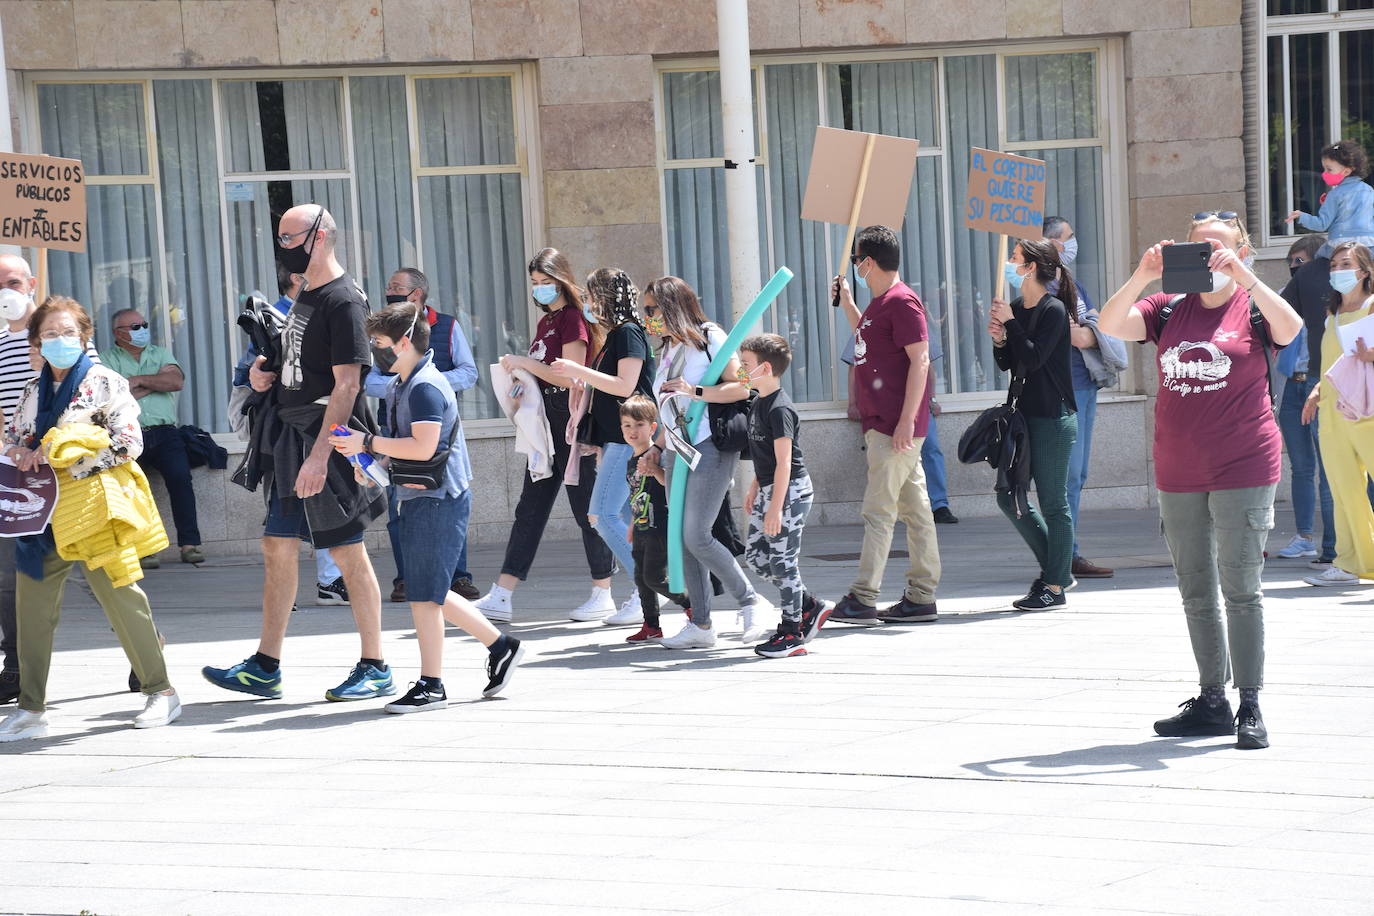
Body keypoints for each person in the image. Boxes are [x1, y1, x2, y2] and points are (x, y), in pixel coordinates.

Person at [1099, 211, 1303, 750]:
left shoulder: (1253, 306)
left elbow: (1291, 328)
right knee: (1195, 588)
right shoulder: (1168, 308)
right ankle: (1212, 698)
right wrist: (1144, 273)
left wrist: (1247, 279)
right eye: (1200, 248)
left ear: (1241, 251)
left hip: (1244, 465)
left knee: (1240, 587)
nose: (1211, 256)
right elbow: (1110, 324)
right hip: (1179, 469)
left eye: (1222, 247)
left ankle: (1250, 702)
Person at [203, 204, 391, 703]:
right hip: (290, 438)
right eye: (280, 237)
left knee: (347, 549)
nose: (282, 246)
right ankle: (266, 666)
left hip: (323, 439)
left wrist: (321, 456)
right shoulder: (306, 291)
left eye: (291, 238)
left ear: (321, 236)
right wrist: (265, 370)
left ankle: (376, 665)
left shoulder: (343, 299)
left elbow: (349, 384)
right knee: (277, 545)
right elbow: (300, 356)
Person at [0, 297, 181, 741]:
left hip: (95, 507)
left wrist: (70, 450)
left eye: (68, 333)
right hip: (42, 513)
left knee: (122, 599)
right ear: (37, 343)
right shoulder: (32, 389)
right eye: (50, 335)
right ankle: (31, 708)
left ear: (84, 338)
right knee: (32, 609)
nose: (59, 342)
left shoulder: (104, 381)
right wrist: (22, 451)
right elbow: (15, 437)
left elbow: (128, 442)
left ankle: (161, 691)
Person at [330, 303, 523, 710]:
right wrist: (376, 465)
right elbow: (408, 443)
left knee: (425, 595)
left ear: (403, 343)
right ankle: (500, 645)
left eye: (379, 343)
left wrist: (366, 444)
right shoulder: (406, 382)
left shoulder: (423, 387)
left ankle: (432, 685)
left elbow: (424, 445)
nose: (374, 351)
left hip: (438, 499)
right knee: (428, 589)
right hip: (423, 494)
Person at [475, 249, 617, 623]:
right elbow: (546, 373)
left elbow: (573, 376)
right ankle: (502, 593)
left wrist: (524, 364)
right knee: (530, 508)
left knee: (588, 508)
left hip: (569, 419)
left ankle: (604, 590)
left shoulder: (572, 319)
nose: (539, 290)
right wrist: (525, 382)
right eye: (535, 284)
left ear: (562, 280)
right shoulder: (548, 322)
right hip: (544, 422)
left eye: (546, 283)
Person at [643, 275, 775, 648]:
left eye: (652, 309)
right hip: (676, 450)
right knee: (682, 538)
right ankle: (700, 625)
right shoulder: (666, 348)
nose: (648, 317)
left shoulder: (708, 336)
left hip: (710, 445)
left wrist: (695, 390)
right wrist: (656, 446)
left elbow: (742, 384)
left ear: (671, 305)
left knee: (697, 534)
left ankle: (751, 601)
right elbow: (669, 407)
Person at [0, 255, 102, 705]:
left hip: (71, 476)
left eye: (13, 281)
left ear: (31, 283)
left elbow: (94, 394)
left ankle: (145, 655)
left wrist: (54, 444)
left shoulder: (61, 334)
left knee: (103, 573)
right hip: (18, 479)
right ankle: (16, 668)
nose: (5, 289)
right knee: (12, 575)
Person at [827, 225, 941, 626]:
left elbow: (920, 361)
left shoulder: (902, 302)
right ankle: (922, 594)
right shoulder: (881, 303)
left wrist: (907, 421)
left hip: (894, 425)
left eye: (858, 259)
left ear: (869, 262)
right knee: (915, 510)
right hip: (890, 423)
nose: (856, 265)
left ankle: (863, 596)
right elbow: (869, 339)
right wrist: (847, 305)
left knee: (879, 512)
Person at [364, 267, 480, 603]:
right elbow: (366, 379)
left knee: (435, 584)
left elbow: (468, 373)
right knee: (403, 517)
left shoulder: (427, 378)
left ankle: (459, 581)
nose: (389, 291)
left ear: (417, 294)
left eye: (396, 287)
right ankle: (408, 578)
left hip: (435, 459)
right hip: (398, 433)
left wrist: (425, 385)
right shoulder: (400, 374)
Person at [552, 268, 656, 626]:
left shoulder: (627, 334)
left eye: (593, 296)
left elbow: (625, 386)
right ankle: (645, 591)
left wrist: (576, 370)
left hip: (628, 439)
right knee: (621, 519)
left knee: (602, 515)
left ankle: (648, 587)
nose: (588, 304)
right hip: (617, 438)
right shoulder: (617, 335)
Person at [987, 239, 1078, 610]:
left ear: (1032, 267)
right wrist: (999, 340)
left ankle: (1054, 585)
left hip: (1054, 418)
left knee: (1054, 503)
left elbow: (1037, 358)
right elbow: (1010, 362)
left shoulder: (1053, 309)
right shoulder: (1013, 308)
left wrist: (1011, 326)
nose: (1010, 263)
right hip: (1023, 416)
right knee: (1008, 496)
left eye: (1015, 258)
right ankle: (1058, 570)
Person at [1042, 216, 1129, 579]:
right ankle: (1064, 553)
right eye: (1067, 238)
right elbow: (1076, 334)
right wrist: (1087, 331)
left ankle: (1065, 549)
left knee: (1076, 476)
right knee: (1066, 476)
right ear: (1052, 244)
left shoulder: (1072, 284)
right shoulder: (1041, 287)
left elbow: (1096, 329)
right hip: (1063, 388)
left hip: (1086, 383)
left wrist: (1088, 331)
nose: (1073, 243)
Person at [737, 335, 832, 658]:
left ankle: (791, 633)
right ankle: (809, 605)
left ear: (765, 368)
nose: (740, 369)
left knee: (782, 562)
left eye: (746, 365)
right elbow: (761, 455)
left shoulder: (780, 409)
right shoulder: (757, 402)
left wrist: (775, 508)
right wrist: (754, 488)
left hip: (789, 492)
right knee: (756, 559)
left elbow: (784, 463)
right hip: (770, 488)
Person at [100, 308, 205, 567]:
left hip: (165, 432)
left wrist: (136, 381)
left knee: (181, 480)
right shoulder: (106, 359)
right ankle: (145, 550)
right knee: (133, 491)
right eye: (134, 326)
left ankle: (189, 545)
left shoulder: (159, 353)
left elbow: (175, 381)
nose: (142, 329)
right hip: (127, 433)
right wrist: (155, 383)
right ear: (118, 333)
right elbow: (111, 399)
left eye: (143, 324)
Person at [1300, 242, 1374, 589]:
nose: (1337, 271)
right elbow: (1333, 361)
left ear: (1365, 270)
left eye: (1346, 264)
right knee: (1344, 490)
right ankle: (1351, 562)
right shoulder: (1333, 313)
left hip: (1369, 410)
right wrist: (1316, 392)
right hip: (1333, 410)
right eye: (1333, 265)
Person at [1274, 234, 1337, 564]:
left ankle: (1334, 545)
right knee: (1301, 466)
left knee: (1329, 467)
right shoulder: (1292, 298)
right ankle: (1304, 537)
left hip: (1318, 383)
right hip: (1292, 388)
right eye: (1291, 263)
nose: (1295, 268)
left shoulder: (1327, 296)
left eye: (1301, 262)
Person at [618, 394, 691, 643]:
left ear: (652, 428)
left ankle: (690, 603)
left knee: (655, 578)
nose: (632, 431)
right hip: (641, 527)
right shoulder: (630, 460)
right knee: (640, 578)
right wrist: (631, 524)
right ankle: (651, 625)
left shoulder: (655, 455)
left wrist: (655, 470)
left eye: (639, 425)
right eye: (627, 425)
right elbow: (635, 494)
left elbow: (668, 484)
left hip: (660, 527)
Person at [1283, 139, 1374, 258]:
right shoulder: (1369, 190)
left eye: (1329, 169)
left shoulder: (1335, 194)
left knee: (1317, 261)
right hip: (1368, 243)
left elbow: (1322, 224)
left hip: (1340, 243)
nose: (1324, 173)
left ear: (1346, 171)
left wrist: (1302, 216)